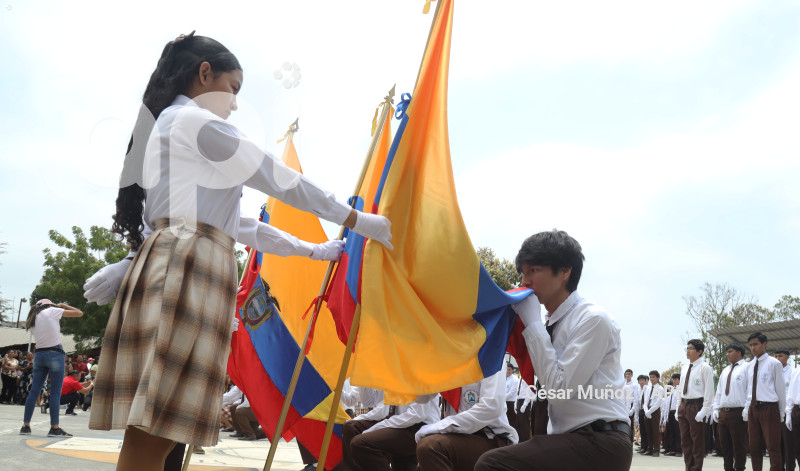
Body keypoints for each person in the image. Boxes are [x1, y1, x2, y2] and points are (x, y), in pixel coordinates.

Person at [85, 32, 393, 471]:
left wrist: (315, 250)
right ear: (203, 73)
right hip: (192, 265)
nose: (233, 104)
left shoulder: (166, 125)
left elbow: (236, 224)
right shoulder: (194, 122)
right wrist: (357, 219)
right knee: (156, 431)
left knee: (156, 429)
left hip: (176, 257)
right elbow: (279, 178)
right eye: (232, 89)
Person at [475, 230, 631, 471]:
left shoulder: (592, 319)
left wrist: (533, 324)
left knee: (493, 464)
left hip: (599, 441)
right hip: (569, 439)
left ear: (564, 271)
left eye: (533, 271)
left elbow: (559, 389)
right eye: (523, 272)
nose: (525, 281)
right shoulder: (553, 322)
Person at [416, 370, 518, 471]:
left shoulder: (490, 355)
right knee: (424, 462)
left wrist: (439, 427)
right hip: (456, 435)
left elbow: (491, 408)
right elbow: (422, 397)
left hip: (490, 436)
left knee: (429, 447)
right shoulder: (446, 359)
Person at [20, 299, 84, 437]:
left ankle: (26, 426)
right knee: (55, 392)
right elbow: (79, 313)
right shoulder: (52, 311)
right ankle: (54, 428)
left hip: (39, 354)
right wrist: (63, 305)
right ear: (49, 305)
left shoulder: (32, 319)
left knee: (34, 391)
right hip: (55, 353)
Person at [350, 395, 440, 471]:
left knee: (360, 443)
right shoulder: (394, 378)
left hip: (419, 428)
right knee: (402, 465)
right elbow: (376, 406)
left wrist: (375, 429)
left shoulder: (416, 376)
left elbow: (417, 414)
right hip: (400, 425)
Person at [744, 332, 786, 471]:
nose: (753, 348)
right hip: (753, 408)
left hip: (769, 408)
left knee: (773, 446)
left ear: (765, 344)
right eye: (750, 345)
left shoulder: (774, 364)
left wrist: (781, 412)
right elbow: (749, 390)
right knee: (754, 447)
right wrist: (747, 408)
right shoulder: (749, 366)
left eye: (756, 344)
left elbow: (781, 390)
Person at [675, 339, 715, 470]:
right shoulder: (684, 367)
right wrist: (678, 408)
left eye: (691, 348)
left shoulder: (705, 368)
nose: (688, 350)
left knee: (697, 441)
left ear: (699, 351)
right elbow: (680, 389)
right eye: (687, 348)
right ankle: (688, 467)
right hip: (684, 405)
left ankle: (696, 468)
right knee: (685, 441)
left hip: (696, 405)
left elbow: (709, 391)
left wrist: (704, 411)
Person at [713, 343, 748, 471]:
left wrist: (747, 408)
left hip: (738, 412)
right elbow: (719, 391)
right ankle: (727, 468)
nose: (727, 354)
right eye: (726, 351)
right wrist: (716, 409)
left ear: (739, 352)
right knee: (724, 445)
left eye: (730, 351)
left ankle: (739, 468)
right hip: (723, 413)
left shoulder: (746, 367)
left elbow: (750, 390)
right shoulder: (725, 370)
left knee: (739, 445)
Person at [776, 348, 795, 471]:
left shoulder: (792, 372)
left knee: (788, 444)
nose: (778, 359)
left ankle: (790, 468)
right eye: (776, 356)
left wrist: (788, 412)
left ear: (787, 357)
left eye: (780, 356)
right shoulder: (774, 370)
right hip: (773, 411)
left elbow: (790, 394)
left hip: (787, 411)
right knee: (776, 444)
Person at [643, 370, 664, 457]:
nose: (651, 379)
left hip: (655, 411)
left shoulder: (660, 389)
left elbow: (658, 403)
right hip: (647, 410)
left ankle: (656, 450)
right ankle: (649, 448)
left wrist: (649, 411)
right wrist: (646, 411)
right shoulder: (648, 388)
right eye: (650, 377)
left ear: (657, 378)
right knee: (648, 431)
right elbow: (645, 401)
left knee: (655, 431)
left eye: (653, 377)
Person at [663, 373, 681, 456]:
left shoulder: (680, 389)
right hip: (670, 413)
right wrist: (666, 416)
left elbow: (679, 402)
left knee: (678, 432)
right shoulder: (672, 390)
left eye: (676, 379)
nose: (674, 381)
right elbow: (667, 403)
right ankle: (672, 449)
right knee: (671, 432)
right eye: (673, 379)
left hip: (676, 412)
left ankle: (679, 450)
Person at [634, 374, 650, 453]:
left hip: (647, 411)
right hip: (641, 411)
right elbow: (636, 403)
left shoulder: (648, 389)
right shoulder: (638, 391)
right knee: (642, 430)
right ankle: (643, 446)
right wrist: (636, 416)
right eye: (640, 380)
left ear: (645, 381)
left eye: (643, 380)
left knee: (647, 430)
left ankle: (648, 447)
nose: (641, 381)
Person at [623, 368, 637, 443]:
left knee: (630, 426)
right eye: (626, 374)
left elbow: (636, 399)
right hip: (623, 406)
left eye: (629, 374)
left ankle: (630, 442)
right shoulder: (623, 384)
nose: (627, 375)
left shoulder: (634, 385)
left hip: (630, 406)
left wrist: (632, 410)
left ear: (632, 375)